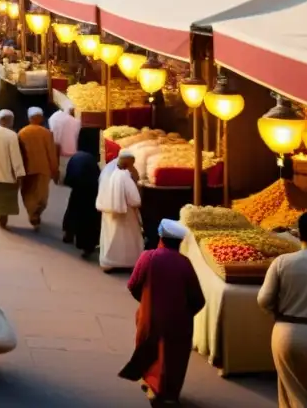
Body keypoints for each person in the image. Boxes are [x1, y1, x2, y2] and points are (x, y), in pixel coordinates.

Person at [119, 219, 205, 406]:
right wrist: (183, 314)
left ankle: (152, 385)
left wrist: (146, 304)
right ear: (179, 243)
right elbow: (198, 299)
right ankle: (169, 393)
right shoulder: (185, 264)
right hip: (178, 322)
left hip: (149, 318)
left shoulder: (148, 257)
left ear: (160, 237)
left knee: (149, 349)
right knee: (174, 357)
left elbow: (133, 285)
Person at [258, 211, 307, 407]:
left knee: (293, 395)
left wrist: (277, 314)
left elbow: (264, 299)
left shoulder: (283, 262)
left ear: (299, 234)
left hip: (289, 334)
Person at [97, 150, 143, 271]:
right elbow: (135, 200)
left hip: (109, 213)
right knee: (128, 239)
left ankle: (109, 263)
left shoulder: (110, 171)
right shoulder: (125, 177)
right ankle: (129, 263)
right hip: (127, 215)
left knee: (111, 238)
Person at [17, 107, 59, 230]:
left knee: (28, 193)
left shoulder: (22, 133)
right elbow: (51, 153)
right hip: (43, 169)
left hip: (27, 169)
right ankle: (36, 214)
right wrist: (55, 171)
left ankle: (32, 214)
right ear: (40, 118)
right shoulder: (46, 133)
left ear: (29, 118)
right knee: (42, 195)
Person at [62, 147, 102, 257]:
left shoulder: (75, 158)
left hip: (78, 188)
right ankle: (87, 246)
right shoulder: (91, 161)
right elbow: (98, 177)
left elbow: (68, 176)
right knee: (88, 219)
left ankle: (68, 234)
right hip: (91, 191)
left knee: (73, 210)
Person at [49, 106, 81, 182]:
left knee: (60, 168)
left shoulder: (54, 117)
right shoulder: (74, 121)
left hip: (56, 149)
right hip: (70, 150)